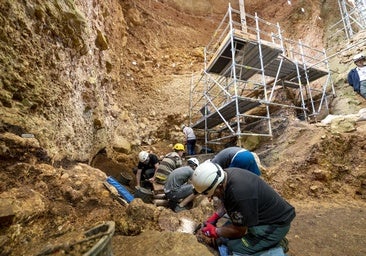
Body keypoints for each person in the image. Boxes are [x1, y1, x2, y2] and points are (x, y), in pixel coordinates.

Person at [191, 161, 296, 255]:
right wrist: (216, 216)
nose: (211, 197)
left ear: (218, 186)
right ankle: (267, 241)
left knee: (235, 247)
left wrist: (215, 231)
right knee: (226, 234)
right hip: (260, 214)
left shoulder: (239, 194)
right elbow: (227, 199)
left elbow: (239, 231)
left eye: (212, 194)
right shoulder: (225, 176)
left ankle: (276, 246)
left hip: (275, 224)